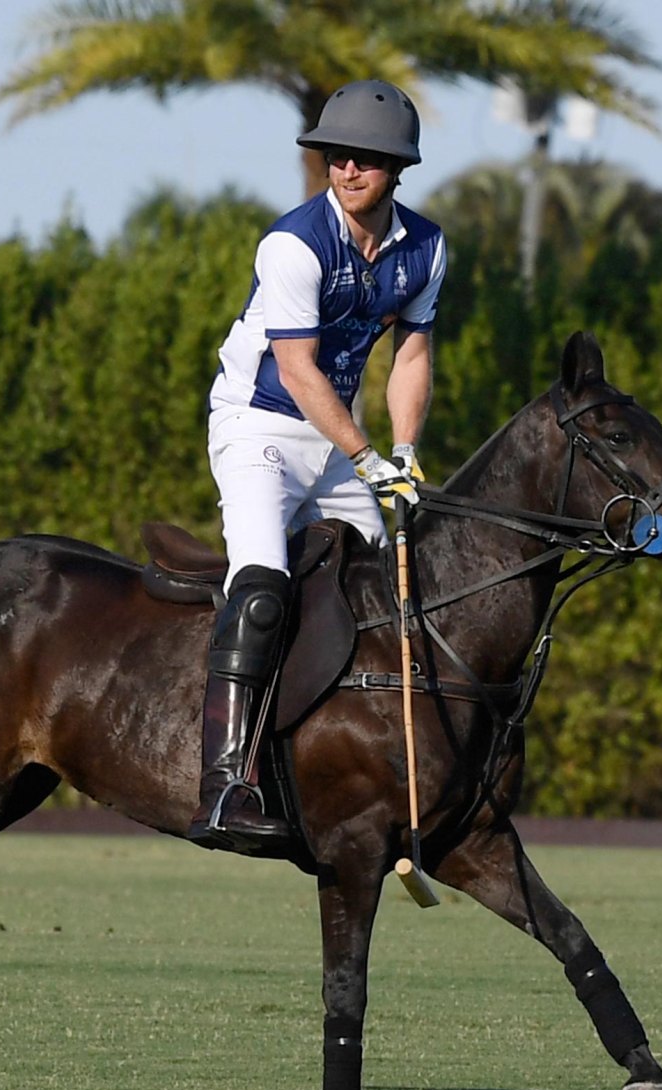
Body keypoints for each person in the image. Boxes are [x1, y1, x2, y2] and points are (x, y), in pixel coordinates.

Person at [186, 78, 447, 853]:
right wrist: (368, 459)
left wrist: (403, 454)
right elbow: (297, 371)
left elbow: (412, 353)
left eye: (367, 158)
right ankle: (225, 784)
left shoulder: (426, 248)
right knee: (263, 587)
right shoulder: (294, 242)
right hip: (259, 425)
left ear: (398, 168)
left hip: (340, 440)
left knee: (391, 587)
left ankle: (378, 774)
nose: (347, 169)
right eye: (337, 155)